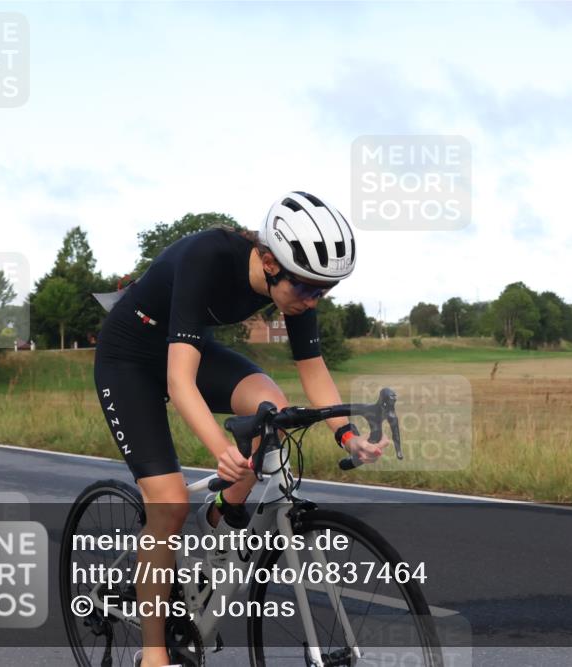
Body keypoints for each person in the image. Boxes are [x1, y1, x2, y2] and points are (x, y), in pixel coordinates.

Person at [93, 191, 389, 667]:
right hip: (128, 360)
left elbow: (312, 369)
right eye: (307, 288)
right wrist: (219, 450)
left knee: (270, 411)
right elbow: (178, 381)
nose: (313, 299)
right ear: (270, 261)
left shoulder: (296, 285)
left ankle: (219, 513)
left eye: (324, 291)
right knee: (167, 505)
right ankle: (153, 654)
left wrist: (347, 434)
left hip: (183, 351)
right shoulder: (207, 256)